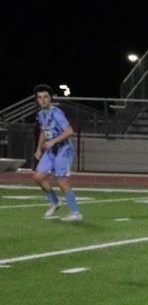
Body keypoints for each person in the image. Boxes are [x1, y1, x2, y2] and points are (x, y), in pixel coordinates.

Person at [32, 84, 82, 221]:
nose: (43, 100)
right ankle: (55, 202)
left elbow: (69, 131)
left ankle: (75, 213)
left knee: (62, 181)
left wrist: (53, 141)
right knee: (38, 177)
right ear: (37, 100)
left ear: (50, 99)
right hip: (50, 151)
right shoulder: (40, 114)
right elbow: (44, 131)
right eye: (40, 97)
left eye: (45, 97)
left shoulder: (56, 113)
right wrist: (38, 148)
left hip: (63, 150)